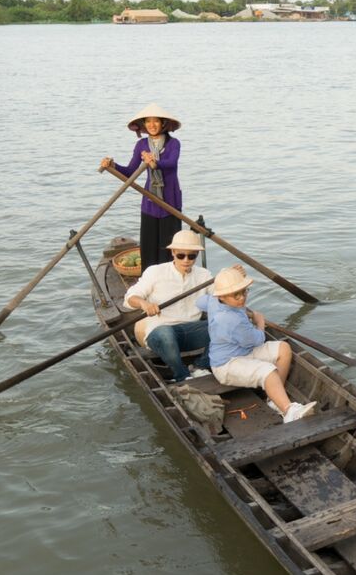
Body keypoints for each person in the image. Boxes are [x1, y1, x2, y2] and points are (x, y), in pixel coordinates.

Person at [196, 266, 316, 423]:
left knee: (283, 349)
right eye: (235, 294)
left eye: (244, 291)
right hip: (227, 365)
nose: (242, 298)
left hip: (244, 351)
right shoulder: (231, 320)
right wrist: (259, 322)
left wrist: (243, 310)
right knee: (268, 371)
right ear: (223, 296)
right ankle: (289, 412)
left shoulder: (213, 300)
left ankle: (274, 400)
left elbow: (199, 302)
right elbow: (258, 339)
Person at [100, 103, 183, 268]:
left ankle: (169, 281)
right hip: (150, 201)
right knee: (149, 245)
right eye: (148, 121)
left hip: (170, 201)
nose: (152, 125)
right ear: (144, 125)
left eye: (156, 121)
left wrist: (154, 162)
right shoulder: (141, 145)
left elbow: (171, 163)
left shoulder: (174, 143)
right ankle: (148, 279)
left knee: (169, 246)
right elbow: (130, 171)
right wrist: (112, 165)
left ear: (163, 123)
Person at [124, 230, 211, 384]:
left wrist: (232, 277)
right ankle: (182, 375)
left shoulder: (204, 275)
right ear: (173, 252)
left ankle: (200, 366)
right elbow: (131, 297)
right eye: (181, 255)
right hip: (160, 332)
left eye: (191, 256)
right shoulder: (155, 272)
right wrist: (144, 303)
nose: (186, 260)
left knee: (223, 326)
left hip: (189, 330)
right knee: (166, 334)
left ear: (197, 255)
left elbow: (223, 296)